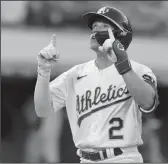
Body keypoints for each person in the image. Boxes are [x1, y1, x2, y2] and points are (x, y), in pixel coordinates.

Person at [34, 6, 159, 163]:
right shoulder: (75, 74)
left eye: (104, 26)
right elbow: (42, 110)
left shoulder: (138, 70)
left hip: (123, 157)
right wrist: (43, 71)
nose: (95, 31)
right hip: (85, 159)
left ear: (120, 35)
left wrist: (123, 65)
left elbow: (148, 103)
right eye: (94, 26)